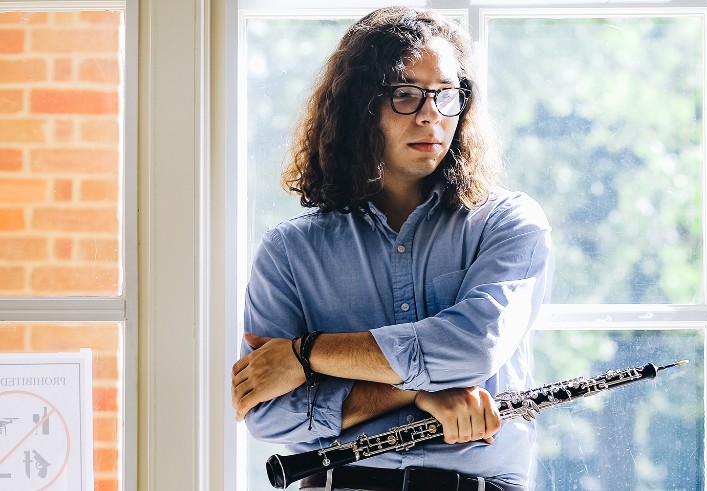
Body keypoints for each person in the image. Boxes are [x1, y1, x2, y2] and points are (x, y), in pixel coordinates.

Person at [230, 7, 552, 491]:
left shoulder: (508, 222)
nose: (430, 114)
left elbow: (473, 347)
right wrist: (416, 395)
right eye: (405, 94)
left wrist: (305, 354)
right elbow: (267, 415)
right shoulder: (289, 251)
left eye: (445, 94)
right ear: (361, 108)